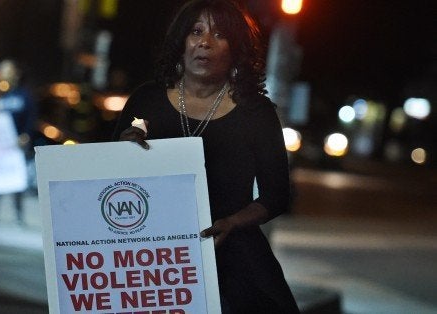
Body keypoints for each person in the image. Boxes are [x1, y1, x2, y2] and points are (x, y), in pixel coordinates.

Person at [113, 0, 300, 313]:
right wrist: (121, 151)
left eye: (219, 35)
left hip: (232, 255)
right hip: (152, 256)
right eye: (195, 31)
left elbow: (277, 196)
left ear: (236, 50)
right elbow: (108, 179)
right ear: (181, 43)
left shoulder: (257, 113)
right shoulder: (147, 99)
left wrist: (231, 223)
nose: (204, 42)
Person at [0, 59, 36, 224]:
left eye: (9, 71)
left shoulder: (24, 95)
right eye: (3, 70)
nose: (6, 74)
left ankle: (18, 214)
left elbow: (31, 118)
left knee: (16, 181)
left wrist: (25, 135)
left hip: (15, 145)